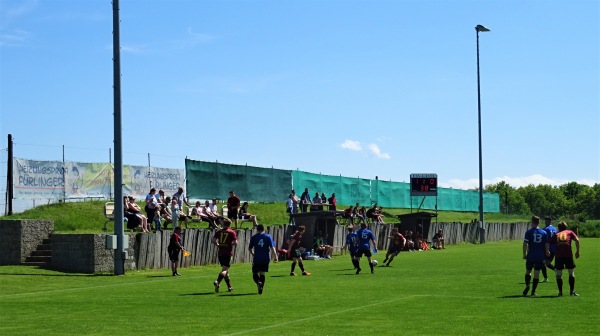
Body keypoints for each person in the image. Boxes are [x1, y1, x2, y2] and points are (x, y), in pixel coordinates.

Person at [546, 221, 580, 296]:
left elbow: (547, 243)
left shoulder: (556, 234)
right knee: (571, 273)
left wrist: (547, 251)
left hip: (558, 256)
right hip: (568, 255)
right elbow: (577, 240)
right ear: (566, 227)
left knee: (559, 274)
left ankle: (560, 292)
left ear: (558, 228)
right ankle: (572, 291)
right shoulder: (570, 232)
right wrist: (577, 251)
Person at [248, 224, 278, 294]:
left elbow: (249, 248)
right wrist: (276, 256)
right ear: (264, 229)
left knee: (255, 273)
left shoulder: (254, 237)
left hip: (257, 258)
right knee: (262, 273)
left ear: (257, 229)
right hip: (265, 258)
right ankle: (260, 288)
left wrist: (252, 253)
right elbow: (272, 247)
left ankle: (259, 282)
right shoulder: (268, 236)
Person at [522, 216, 548, 297]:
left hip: (531, 255)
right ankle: (533, 292)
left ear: (532, 222)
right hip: (540, 256)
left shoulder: (529, 232)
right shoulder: (544, 233)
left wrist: (524, 254)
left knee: (528, 271)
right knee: (537, 273)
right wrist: (546, 254)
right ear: (539, 222)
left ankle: (527, 285)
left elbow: (525, 244)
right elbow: (546, 245)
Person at [212, 218, 238, 292]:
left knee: (226, 270)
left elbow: (213, 240)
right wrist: (230, 244)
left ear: (223, 224)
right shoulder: (232, 232)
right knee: (225, 270)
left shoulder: (219, 231)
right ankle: (217, 282)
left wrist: (218, 245)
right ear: (230, 224)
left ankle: (229, 287)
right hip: (228, 253)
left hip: (220, 253)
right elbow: (236, 243)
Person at [541, 216, 558, 282]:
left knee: (543, 263)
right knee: (546, 263)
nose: (545, 222)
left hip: (548, 248)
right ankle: (555, 270)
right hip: (554, 248)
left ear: (549, 221)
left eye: (546, 221)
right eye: (545, 221)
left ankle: (546, 278)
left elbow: (544, 240)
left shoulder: (545, 229)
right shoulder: (555, 229)